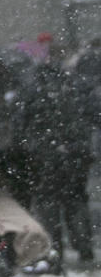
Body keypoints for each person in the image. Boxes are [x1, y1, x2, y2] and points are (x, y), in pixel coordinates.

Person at [13, 44, 95, 263]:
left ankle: (53, 248)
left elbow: (20, 123)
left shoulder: (32, 89)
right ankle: (83, 246)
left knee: (48, 202)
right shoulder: (74, 86)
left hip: (44, 156)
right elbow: (91, 115)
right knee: (75, 201)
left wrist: (24, 150)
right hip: (73, 154)